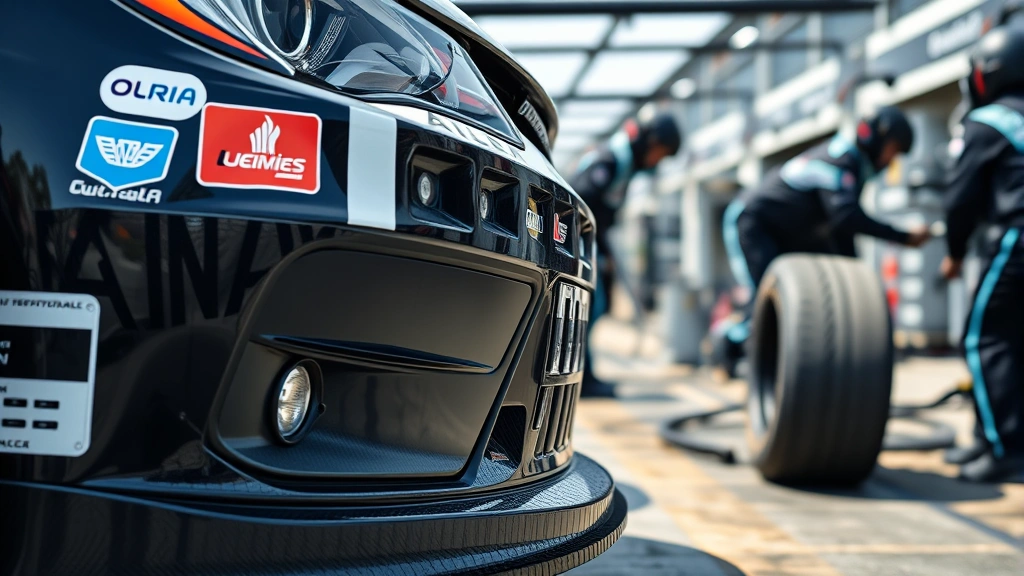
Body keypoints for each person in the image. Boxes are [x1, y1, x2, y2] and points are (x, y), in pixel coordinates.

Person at [721, 106, 931, 352]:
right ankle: (727, 344)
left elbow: (842, 235)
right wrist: (903, 236)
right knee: (766, 298)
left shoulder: (853, 167)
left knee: (799, 302)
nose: (889, 161)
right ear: (877, 137)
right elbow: (846, 219)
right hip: (751, 222)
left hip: (783, 232)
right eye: (892, 150)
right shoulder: (839, 160)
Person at [940, 23, 1024, 483]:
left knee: (982, 339)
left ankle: (1003, 450)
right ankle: (988, 437)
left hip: (1016, 239)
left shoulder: (988, 121)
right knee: (1013, 343)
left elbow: (960, 199)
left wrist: (954, 252)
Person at [568, 108, 682, 397]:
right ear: (650, 141)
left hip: (591, 242)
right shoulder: (610, 160)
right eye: (660, 152)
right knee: (587, 306)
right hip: (577, 241)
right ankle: (581, 378)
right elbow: (580, 203)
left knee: (597, 306)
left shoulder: (624, 163)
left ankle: (584, 374)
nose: (658, 161)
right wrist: (593, 251)